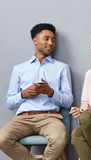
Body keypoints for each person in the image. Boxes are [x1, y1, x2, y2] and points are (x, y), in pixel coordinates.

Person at [0, 23, 74, 160]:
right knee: (2, 139)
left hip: (50, 118)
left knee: (59, 139)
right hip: (23, 118)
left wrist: (50, 91)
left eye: (53, 40)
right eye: (46, 39)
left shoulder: (62, 68)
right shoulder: (19, 69)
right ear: (35, 40)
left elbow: (68, 101)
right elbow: (9, 103)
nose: (50, 43)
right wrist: (24, 94)